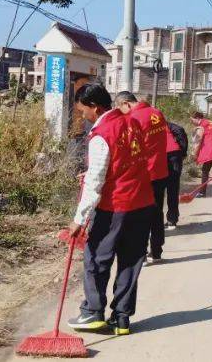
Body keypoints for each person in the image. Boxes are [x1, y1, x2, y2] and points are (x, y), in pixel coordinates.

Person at [65, 84, 154, 336]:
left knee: (96, 258)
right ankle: (121, 319)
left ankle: (93, 312)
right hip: (142, 202)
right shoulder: (131, 123)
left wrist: (78, 219)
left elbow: (95, 182)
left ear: (95, 107)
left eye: (83, 111)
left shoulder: (102, 132)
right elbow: (126, 160)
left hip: (116, 205)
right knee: (131, 260)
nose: (82, 116)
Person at [121, 93, 172, 263]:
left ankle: (140, 254)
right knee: (157, 213)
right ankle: (156, 251)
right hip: (160, 171)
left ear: (126, 104)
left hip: (143, 174)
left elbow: (131, 148)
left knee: (139, 215)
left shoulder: (133, 118)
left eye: (120, 108)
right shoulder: (157, 113)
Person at [164, 120, 188, 228]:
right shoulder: (163, 122)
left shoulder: (142, 121)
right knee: (173, 187)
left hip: (162, 155)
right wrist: (182, 151)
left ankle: (168, 219)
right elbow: (179, 129)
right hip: (174, 155)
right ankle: (172, 219)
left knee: (158, 190)